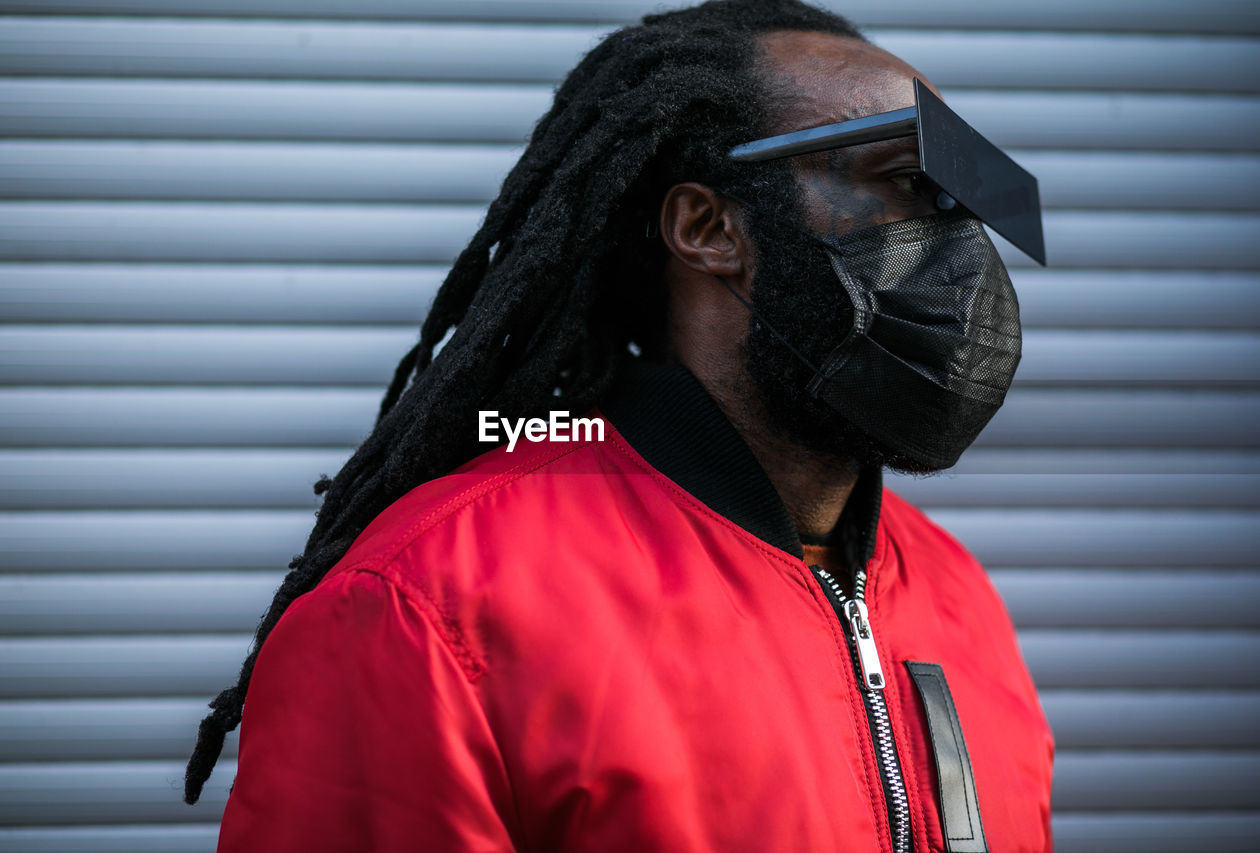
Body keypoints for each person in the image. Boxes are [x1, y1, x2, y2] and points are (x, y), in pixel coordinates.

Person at [186, 1, 1054, 849]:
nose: (959, 246)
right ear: (709, 227)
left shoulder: (956, 594)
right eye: (905, 181)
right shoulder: (428, 608)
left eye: (960, 198)